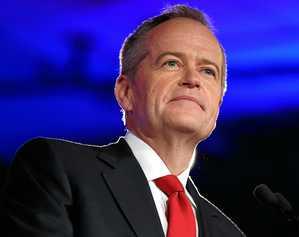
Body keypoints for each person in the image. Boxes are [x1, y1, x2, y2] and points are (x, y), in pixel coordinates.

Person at [0, 4, 245, 237]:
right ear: (126, 92)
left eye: (208, 71)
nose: (193, 79)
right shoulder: (60, 170)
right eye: (172, 63)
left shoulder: (228, 232)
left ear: (216, 107)